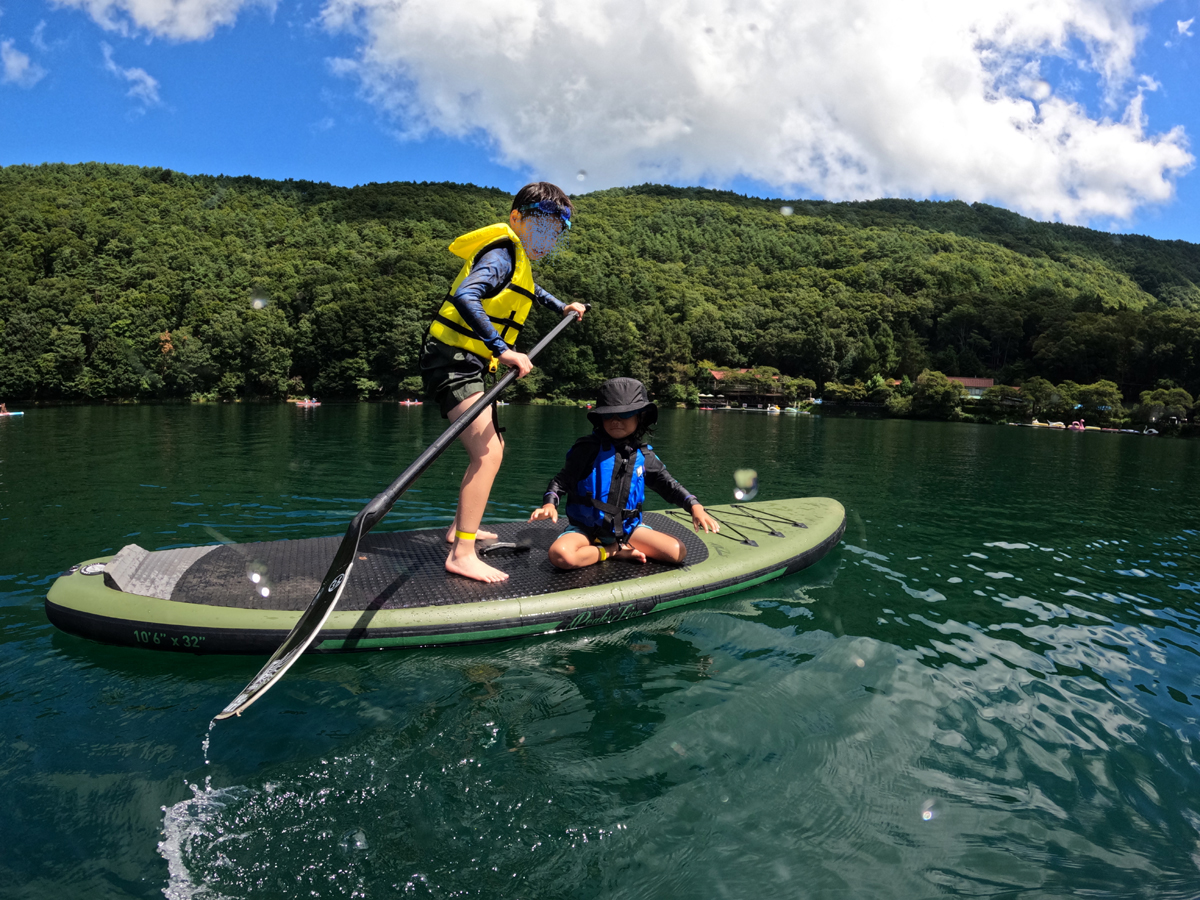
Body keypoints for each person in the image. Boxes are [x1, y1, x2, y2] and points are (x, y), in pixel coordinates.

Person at [422, 182, 587, 583]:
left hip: (470, 364)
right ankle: (462, 553)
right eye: (541, 227)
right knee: (488, 453)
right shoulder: (500, 253)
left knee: (491, 449)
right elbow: (467, 294)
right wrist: (501, 347)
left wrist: (559, 305)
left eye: (554, 232)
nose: (547, 239)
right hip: (453, 361)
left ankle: (460, 528)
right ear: (516, 219)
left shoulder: (516, 262)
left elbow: (529, 290)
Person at [530, 378, 719, 569]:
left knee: (677, 551)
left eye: (625, 414)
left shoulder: (644, 456)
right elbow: (561, 481)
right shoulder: (587, 449)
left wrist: (695, 506)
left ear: (640, 416)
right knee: (561, 555)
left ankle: (617, 546)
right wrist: (550, 504)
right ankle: (613, 551)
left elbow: (669, 485)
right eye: (609, 414)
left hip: (628, 529)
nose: (615, 421)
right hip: (586, 529)